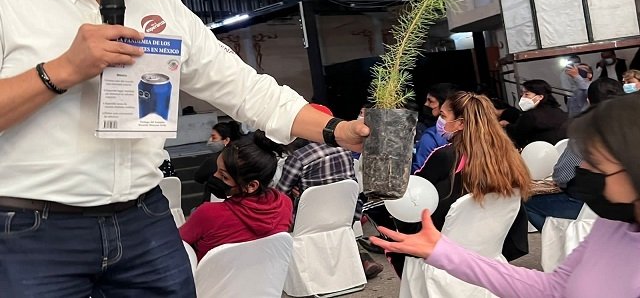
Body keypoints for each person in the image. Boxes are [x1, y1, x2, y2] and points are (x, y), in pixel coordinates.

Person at [0, 0, 368, 295]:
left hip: (144, 219)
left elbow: (247, 90)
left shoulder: (163, 9)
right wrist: (62, 70)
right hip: (28, 229)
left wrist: (338, 130)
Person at [370, 93, 640, 297]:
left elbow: (418, 193)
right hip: (487, 249)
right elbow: (554, 288)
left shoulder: (445, 156)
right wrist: (443, 253)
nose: (582, 168)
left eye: (596, 162)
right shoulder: (609, 226)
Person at [370, 92, 532, 275]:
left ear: (461, 123)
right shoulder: (509, 155)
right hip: (490, 248)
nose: (439, 121)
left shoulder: (446, 156)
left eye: (443, 116)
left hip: (444, 251)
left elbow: (414, 195)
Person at [276, 103, 384, 279]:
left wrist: (300, 191)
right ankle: (360, 259)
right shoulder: (346, 150)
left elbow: (280, 193)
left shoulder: (299, 158)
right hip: (346, 216)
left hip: (307, 221)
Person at [524, 77, 624, 230]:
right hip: (626, 203)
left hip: (590, 206)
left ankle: (564, 239)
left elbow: (563, 176)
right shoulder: (631, 126)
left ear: (589, 101)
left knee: (527, 203)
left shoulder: (585, 131)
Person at [180, 132, 293, 261]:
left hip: (211, 273)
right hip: (265, 272)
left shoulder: (208, 214)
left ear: (251, 186)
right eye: (217, 170)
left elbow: (176, 243)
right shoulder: (285, 203)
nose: (214, 176)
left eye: (224, 176)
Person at [504, 79, 568, 148]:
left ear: (540, 97)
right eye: (522, 94)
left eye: (526, 94)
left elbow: (517, 134)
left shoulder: (530, 115)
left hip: (540, 152)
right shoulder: (559, 111)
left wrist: (507, 126)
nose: (522, 98)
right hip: (562, 151)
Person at [412, 83, 459, 173]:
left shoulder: (430, 137)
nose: (426, 104)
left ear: (445, 104)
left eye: (431, 101)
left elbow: (417, 172)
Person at [194, 121, 243, 202]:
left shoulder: (214, 160)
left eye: (214, 137)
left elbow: (198, 177)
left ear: (226, 140)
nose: (210, 141)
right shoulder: (244, 155)